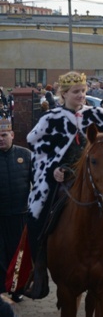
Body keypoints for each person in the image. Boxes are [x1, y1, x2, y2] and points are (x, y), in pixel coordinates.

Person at [24, 72, 103, 300]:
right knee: (36, 214)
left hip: (96, 176)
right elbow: (40, 153)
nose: (81, 95)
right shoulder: (50, 119)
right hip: (64, 177)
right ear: (63, 94)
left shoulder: (97, 114)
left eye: (83, 91)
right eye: (76, 92)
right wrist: (55, 169)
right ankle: (39, 267)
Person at [0, 118, 31, 303]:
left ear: (12, 135)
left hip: (20, 216)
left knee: (18, 255)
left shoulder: (26, 155)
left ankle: (17, 289)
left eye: (4, 135)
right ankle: (1, 288)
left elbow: (39, 183)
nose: (0, 139)